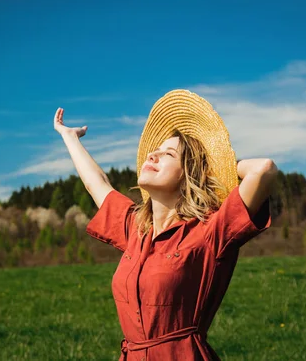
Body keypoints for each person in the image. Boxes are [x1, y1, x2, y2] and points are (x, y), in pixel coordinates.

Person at [54, 89, 278, 361]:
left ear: (190, 173)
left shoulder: (210, 232)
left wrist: (214, 168)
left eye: (168, 154)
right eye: (154, 151)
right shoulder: (135, 228)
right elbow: (96, 183)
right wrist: (69, 138)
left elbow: (263, 170)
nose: (152, 156)